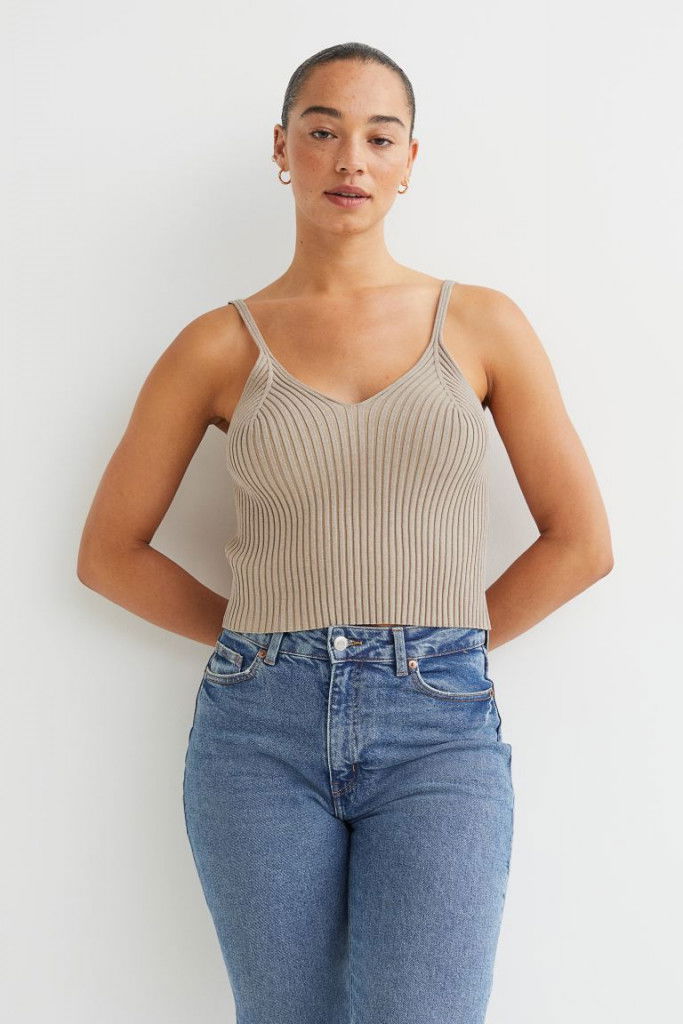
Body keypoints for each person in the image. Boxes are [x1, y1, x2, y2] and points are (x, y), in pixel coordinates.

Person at [77, 41, 613, 1024]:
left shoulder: (481, 324)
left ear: (410, 159)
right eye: (321, 131)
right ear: (282, 149)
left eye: (378, 136)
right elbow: (110, 552)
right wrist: (259, 644)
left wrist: (437, 652)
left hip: (437, 734)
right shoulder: (216, 343)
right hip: (257, 733)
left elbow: (579, 541)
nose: (349, 160)